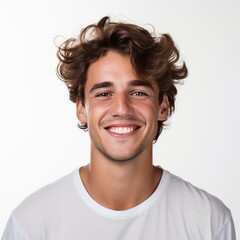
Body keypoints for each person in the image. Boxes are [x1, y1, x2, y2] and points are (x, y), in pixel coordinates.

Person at [2, 16, 236, 240]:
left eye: (138, 93)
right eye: (104, 93)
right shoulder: (31, 224)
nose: (122, 108)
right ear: (82, 109)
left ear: (163, 106)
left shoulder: (209, 222)